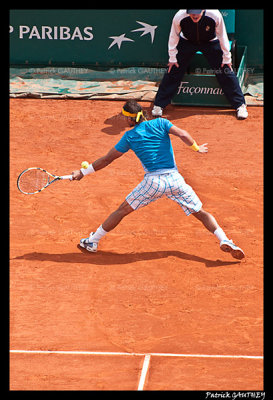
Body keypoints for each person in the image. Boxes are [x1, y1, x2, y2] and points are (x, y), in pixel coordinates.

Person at [72, 100, 245, 260]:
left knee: (121, 211)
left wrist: (83, 172)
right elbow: (183, 134)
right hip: (175, 180)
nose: (124, 120)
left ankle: (93, 241)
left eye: (125, 117)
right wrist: (196, 148)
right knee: (201, 213)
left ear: (131, 119)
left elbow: (107, 159)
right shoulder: (161, 122)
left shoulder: (129, 137)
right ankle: (224, 240)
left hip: (153, 183)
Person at [152, 9, 248, 120]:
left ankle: (240, 105)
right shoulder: (180, 16)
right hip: (187, 42)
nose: (194, 14)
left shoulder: (214, 14)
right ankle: (159, 104)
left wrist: (227, 57)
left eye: (197, 11)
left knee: (225, 68)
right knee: (174, 68)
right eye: (191, 11)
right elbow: (174, 36)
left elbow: (222, 36)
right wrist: (172, 57)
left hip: (210, 42)